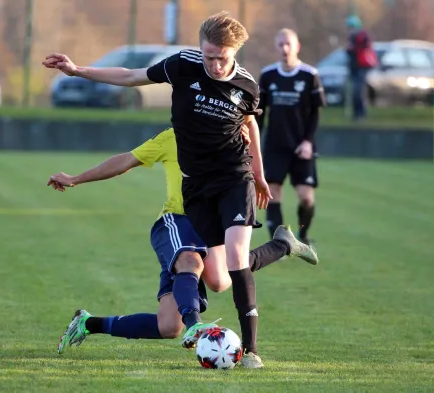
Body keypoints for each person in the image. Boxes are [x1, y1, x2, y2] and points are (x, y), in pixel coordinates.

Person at [43, 11, 283, 368]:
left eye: (223, 58)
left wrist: (260, 173)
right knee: (171, 320)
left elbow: (250, 121)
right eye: (208, 57)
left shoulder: (248, 86)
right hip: (187, 208)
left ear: (236, 52)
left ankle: (250, 350)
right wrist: (79, 71)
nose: (215, 65)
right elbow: (130, 79)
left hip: (234, 178)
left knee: (224, 274)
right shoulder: (178, 89)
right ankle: (177, 325)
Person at [49, 127, 318, 365]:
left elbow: (250, 119)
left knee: (173, 321)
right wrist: (75, 178)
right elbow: (125, 160)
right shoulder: (172, 137)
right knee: (191, 261)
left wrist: (255, 170)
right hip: (177, 220)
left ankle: (87, 323)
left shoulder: (230, 136)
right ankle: (194, 325)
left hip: (210, 227)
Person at [257, 28, 326, 246]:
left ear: (297, 47)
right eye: (280, 44)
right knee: (273, 193)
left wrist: (307, 141)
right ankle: (278, 245)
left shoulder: (309, 75)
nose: (284, 49)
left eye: (288, 44)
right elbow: (259, 113)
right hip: (275, 147)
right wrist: (255, 143)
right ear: (276, 47)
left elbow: (316, 113)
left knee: (306, 197)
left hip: (301, 146)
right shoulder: (268, 75)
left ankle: (303, 236)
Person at [345, 15, 376, 121]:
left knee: (358, 90)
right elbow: (349, 52)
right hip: (354, 66)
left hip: (362, 66)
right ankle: (356, 113)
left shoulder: (362, 36)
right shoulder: (351, 37)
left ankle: (361, 113)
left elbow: (366, 48)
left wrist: (353, 48)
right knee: (355, 90)